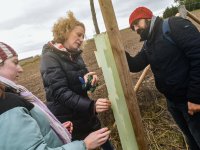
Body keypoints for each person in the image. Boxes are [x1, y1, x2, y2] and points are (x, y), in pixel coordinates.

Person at [0, 41, 111, 150]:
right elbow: (60, 91)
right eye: (15, 62)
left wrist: (55, 131)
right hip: (74, 118)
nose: (21, 69)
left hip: (83, 118)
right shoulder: (7, 103)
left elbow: (28, 139)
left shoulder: (76, 56)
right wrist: (84, 145)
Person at [126, 6, 200, 150]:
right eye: (132, 27)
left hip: (192, 101)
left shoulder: (173, 26)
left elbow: (198, 57)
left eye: (136, 23)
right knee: (190, 140)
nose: (135, 29)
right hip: (173, 103)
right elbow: (136, 65)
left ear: (147, 17)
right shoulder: (149, 43)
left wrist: (195, 97)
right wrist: (118, 52)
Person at [40, 12, 114, 149]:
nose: (81, 39)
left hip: (85, 115)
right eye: (78, 34)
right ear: (65, 32)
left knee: (106, 144)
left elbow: (83, 87)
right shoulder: (49, 58)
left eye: (83, 36)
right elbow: (60, 93)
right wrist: (91, 106)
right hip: (70, 122)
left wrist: (89, 83)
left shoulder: (76, 56)